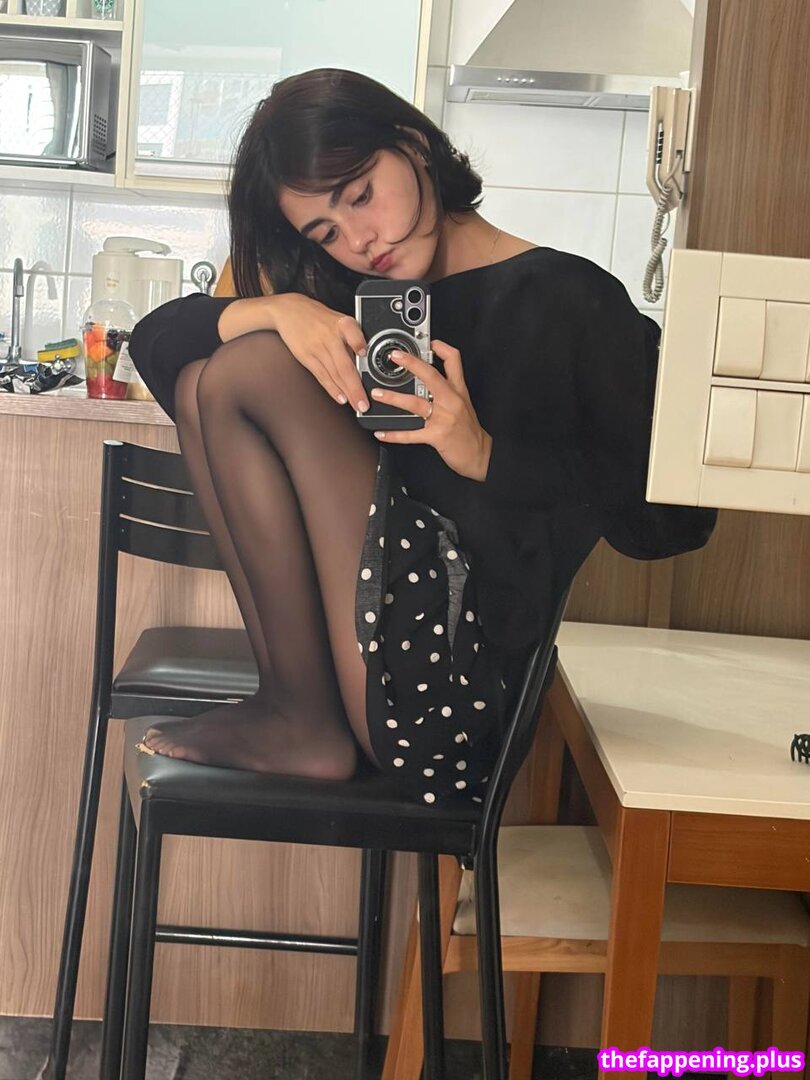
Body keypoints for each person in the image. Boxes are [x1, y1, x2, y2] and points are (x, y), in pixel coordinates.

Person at [128, 67, 717, 807]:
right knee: (205, 377)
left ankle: (299, 720)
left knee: (249, 370)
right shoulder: (347, 298)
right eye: (324, 232)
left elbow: (673, 521)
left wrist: (486, 455)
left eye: (360, 195)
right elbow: (154, 349)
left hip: (459, 693)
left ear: (413, 147)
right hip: (361, 664)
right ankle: (295, 708)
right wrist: (279, 311)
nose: (358, 240)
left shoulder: (570, 298)